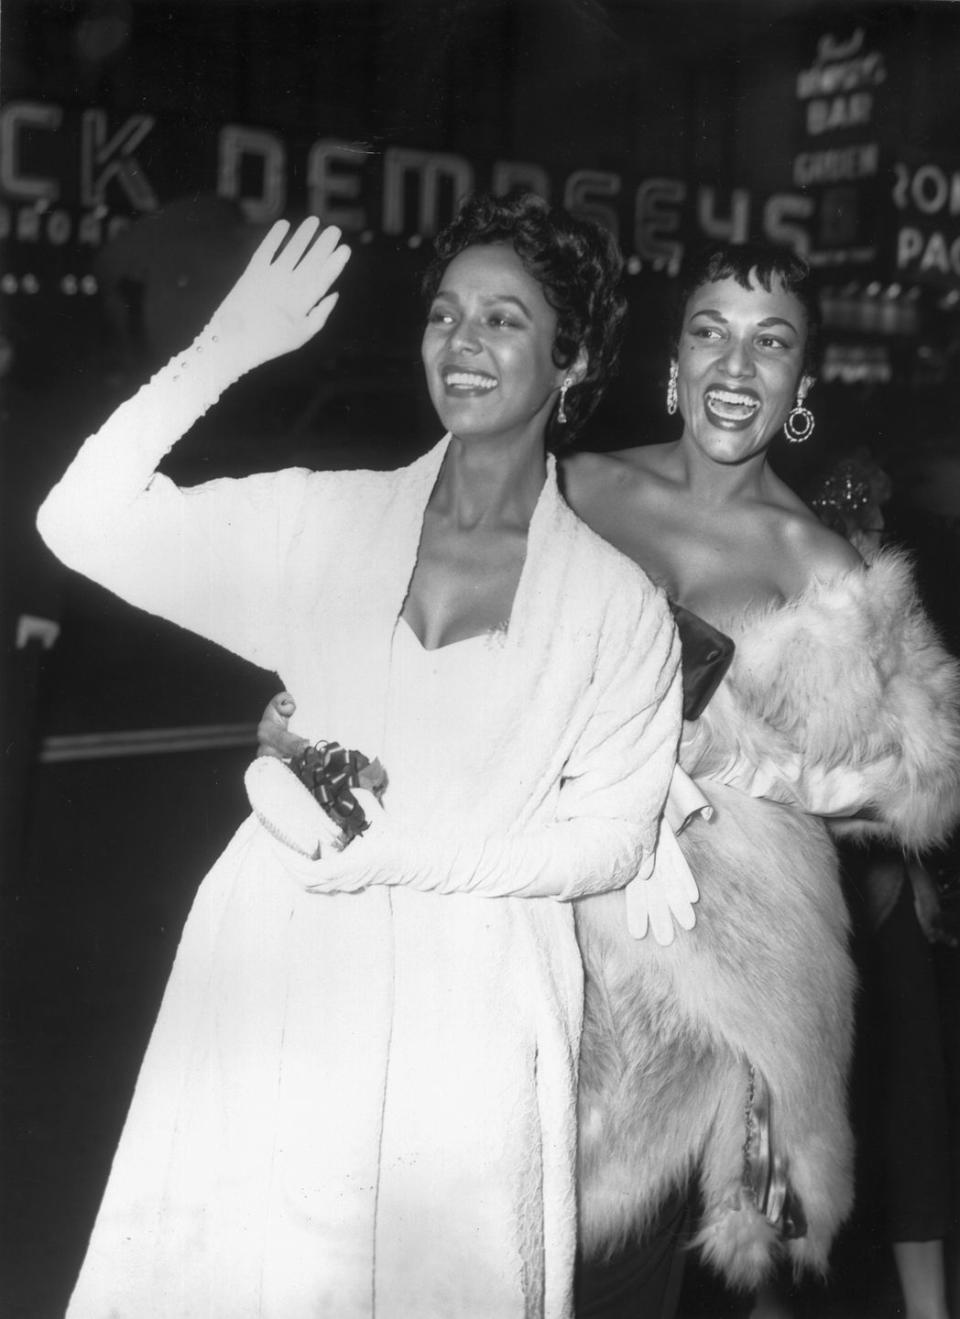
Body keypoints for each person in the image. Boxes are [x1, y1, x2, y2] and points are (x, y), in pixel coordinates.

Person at [264, 240, 960, 1317]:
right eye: (710, 331)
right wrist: (313, 716)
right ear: (673, 364)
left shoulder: (825, 568)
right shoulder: (569, 486)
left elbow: (922, 776)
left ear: (802, 387)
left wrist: (753, 764)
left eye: (770, 342)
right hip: (519, 918)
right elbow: (412, 621)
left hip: (687, 993)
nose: (737, 363)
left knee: (609, 1277)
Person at [36, 192, 689, 1319]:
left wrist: (422, 852)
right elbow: (78, 520)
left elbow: (614, 837)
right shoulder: (326, 523)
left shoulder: (618, 606)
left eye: (504, 319)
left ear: (572, 361)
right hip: (283, 971)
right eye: (444, 314)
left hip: (474, 1012)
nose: (462, 344)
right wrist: (223, 349)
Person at [811, 451, 956, 1319]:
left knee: (909, 1106)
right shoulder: (801, 576)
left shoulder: (891, 587)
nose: (870, 527)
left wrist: (912, 870)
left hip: (878, 878)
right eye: (858, 513)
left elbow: (915, 751)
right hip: (800, 882)